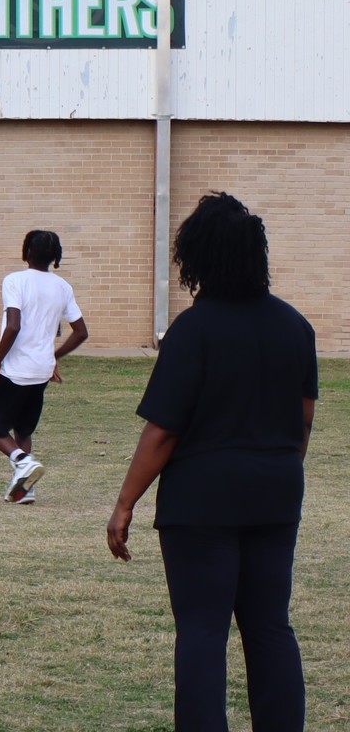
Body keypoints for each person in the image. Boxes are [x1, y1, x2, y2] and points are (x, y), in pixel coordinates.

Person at [107, 192, 317, 732]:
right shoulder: (295, 326)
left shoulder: (193, 331)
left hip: (201, 501)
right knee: (271, 627)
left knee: (202, 631)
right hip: (276, 490)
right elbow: (304, 421)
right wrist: (274, 472)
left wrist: (125, 503)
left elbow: (163, 431)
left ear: (197, 258)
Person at [0, 230, 88, 503]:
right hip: (41, 371)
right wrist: (54, 356)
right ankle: (25, 490)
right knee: (23, 429)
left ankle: (22, 461)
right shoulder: (62, 287)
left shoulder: (15, 281)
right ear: (55, 257)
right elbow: (81, 332)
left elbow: (14, 325)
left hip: (16, 369)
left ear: (25, 252)